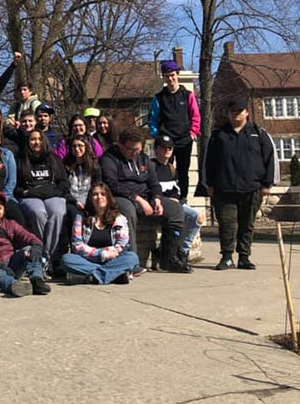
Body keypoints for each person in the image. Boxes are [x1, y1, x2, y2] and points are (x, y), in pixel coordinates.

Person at [100, 126, 187, 274]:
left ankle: (170, 257)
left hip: (146, 197)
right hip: (122, 197)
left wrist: (157, 199)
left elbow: (154, 183)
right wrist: (138, 199)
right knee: (128, 212)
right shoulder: (109, 159)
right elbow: (111, 184)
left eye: (138, 150)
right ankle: (132, 261)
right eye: (131, 150)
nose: (135, 153)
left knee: (176, 210)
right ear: (121, 145)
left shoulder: (144, 159)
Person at [205, 96, 274, 271]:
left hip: (252, 188)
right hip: (224, 188)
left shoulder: (259, 133)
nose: (236, 115)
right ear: (228, 114)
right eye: (232, 112)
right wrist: (209, 184)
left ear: (247, 113)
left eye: (239, 111)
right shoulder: (218, 135)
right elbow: (209, 161)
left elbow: (270, 159)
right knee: (227, 224)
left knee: (247, 224)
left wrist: (268, 184)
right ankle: (227, 257)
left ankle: (244, 257)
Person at [0, 191, 51, 296]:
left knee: (30, 249)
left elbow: (29, 237)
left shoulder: (11, 224)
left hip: (12, 265)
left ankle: (37, 280)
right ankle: (14, 285)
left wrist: (36, 245)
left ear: (4, 211)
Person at [61, 183, 139, 285]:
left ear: (108, 197)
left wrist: (108, 256)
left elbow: (122, 245)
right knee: (67, 259)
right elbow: (77, 246)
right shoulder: (81, 218)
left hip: (112, 260)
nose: (99, 197)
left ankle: (90, 278)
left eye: (103, 194)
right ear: (90, 198)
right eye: (95, 194)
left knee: (132, 258)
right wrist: (102, 254)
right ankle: (115, 276)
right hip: (88, 260)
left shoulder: (120, 219)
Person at [148, 60, 201, 199]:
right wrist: (156, 135)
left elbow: (195, 115)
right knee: (164, 169)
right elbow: (152, 119)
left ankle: (183, 198)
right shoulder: (159, 98)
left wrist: (193, 133)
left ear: (177, 75)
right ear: (164, 78)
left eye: (172, 75)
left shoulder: (188, 95)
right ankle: (165, 197)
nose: (170, 79)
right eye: (167, 76)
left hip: (184, 139)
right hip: (166, 141)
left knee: (183, 171)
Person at [151, 134, 205, 272]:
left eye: (170, 148)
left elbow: (177, 190)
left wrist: (178, 199)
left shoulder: (171, 168)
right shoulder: (151, 166)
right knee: (179, 215)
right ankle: (170, 253)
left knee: (196, 216)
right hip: (160, 204)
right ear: (156, 149)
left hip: (176, 203)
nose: (167, 150)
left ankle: (182, 251)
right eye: (163, 148)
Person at [15, 129, 69, 264]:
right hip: (30, 195)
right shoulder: (21, 160)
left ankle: (49, 255)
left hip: (52, 194)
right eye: (32, 139)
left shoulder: (54, 159)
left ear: (44, 141)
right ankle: (39, 251)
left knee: (58, 212)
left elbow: (64, 183)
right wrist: (27, 193)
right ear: (28, 142)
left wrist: (51, 192)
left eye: (39, 139)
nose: (36, 142)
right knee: (38, 212)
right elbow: (17, 186)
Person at [62, 135, 102, 217]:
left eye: (80, 146)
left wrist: (88, 203)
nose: (77, 149)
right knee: (75, 214)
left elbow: (97, 186)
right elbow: (63, 188)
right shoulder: (66, 165)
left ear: (86, 147)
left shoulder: (94, 166)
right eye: (74, 146)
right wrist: (75, 202)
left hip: (89, 200)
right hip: (71, 201)